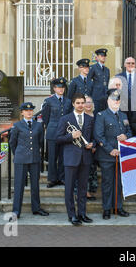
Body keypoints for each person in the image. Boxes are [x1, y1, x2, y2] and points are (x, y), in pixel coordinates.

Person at [56, 93, 95, 226]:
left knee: (83, 188)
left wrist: (92, 144)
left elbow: (94, 137)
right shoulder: (65, 119)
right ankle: (72, 215)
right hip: (71, 158)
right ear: (73, 104)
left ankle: (82, 213)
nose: (80, 105)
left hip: (85, 158)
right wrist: (71, 136)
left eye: (82, 103)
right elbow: (58, 138)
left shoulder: (90, 119)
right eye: (77, 103)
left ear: (85, 104)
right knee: (70, 188)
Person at [94, 89, 132, 220]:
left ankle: (118, 207)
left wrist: (126, 136)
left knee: (119, 183)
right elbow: (99, 136)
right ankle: (106, 209)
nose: (116, 102)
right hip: (107, 156)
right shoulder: (101, 115)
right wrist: (110, 150)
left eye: (118, 100)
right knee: (107, 183)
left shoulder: (123, 116)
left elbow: (130, 131)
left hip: (121, 155)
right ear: (108, 101)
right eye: (113, 99)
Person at [9, 102, 49, 220]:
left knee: (35, 185)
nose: (29, 112)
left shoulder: (38, 125)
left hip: (34, 158)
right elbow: (12, 143)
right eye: (26, 111)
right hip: (21, 159)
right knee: (19, 185)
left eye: (31, 110)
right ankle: (16, 211)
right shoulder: (17, 126)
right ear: (22, 112)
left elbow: (41, 142)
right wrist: (17, 154)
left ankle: (36, 208)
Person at [41, 77, 73, 188]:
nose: (61, 89)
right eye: (58, 87)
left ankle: (62, 178)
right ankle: (52, 179)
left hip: (64, 133)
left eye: (62, 87)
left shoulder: (68, 101)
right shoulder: (48, 101)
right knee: (52, 157)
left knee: (63, 156)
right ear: (54, 88)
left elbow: (70, 116)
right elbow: (45, 117)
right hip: (52, 132)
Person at [87, 48, 110, 115]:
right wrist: (89, 96)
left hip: (105, 97)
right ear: (97, 57)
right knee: (95, 115)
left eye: (104, 56)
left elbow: (107, 83)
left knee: (104, 116)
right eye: (101, 56)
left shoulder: (107, 70)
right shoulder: (93, 68)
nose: (103, 57)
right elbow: (88, 82)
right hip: (96, 97)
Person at [84, 95, 98, 201]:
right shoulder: (80, 116)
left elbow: (99, 132)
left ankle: (91, 190)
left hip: (95, 146)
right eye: (86, 102)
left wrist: (95, 144)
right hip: (83, 147)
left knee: (92, 170)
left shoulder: (97, 116)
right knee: (84, 171)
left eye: (90, 102)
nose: (88, 104)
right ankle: (85, 192)